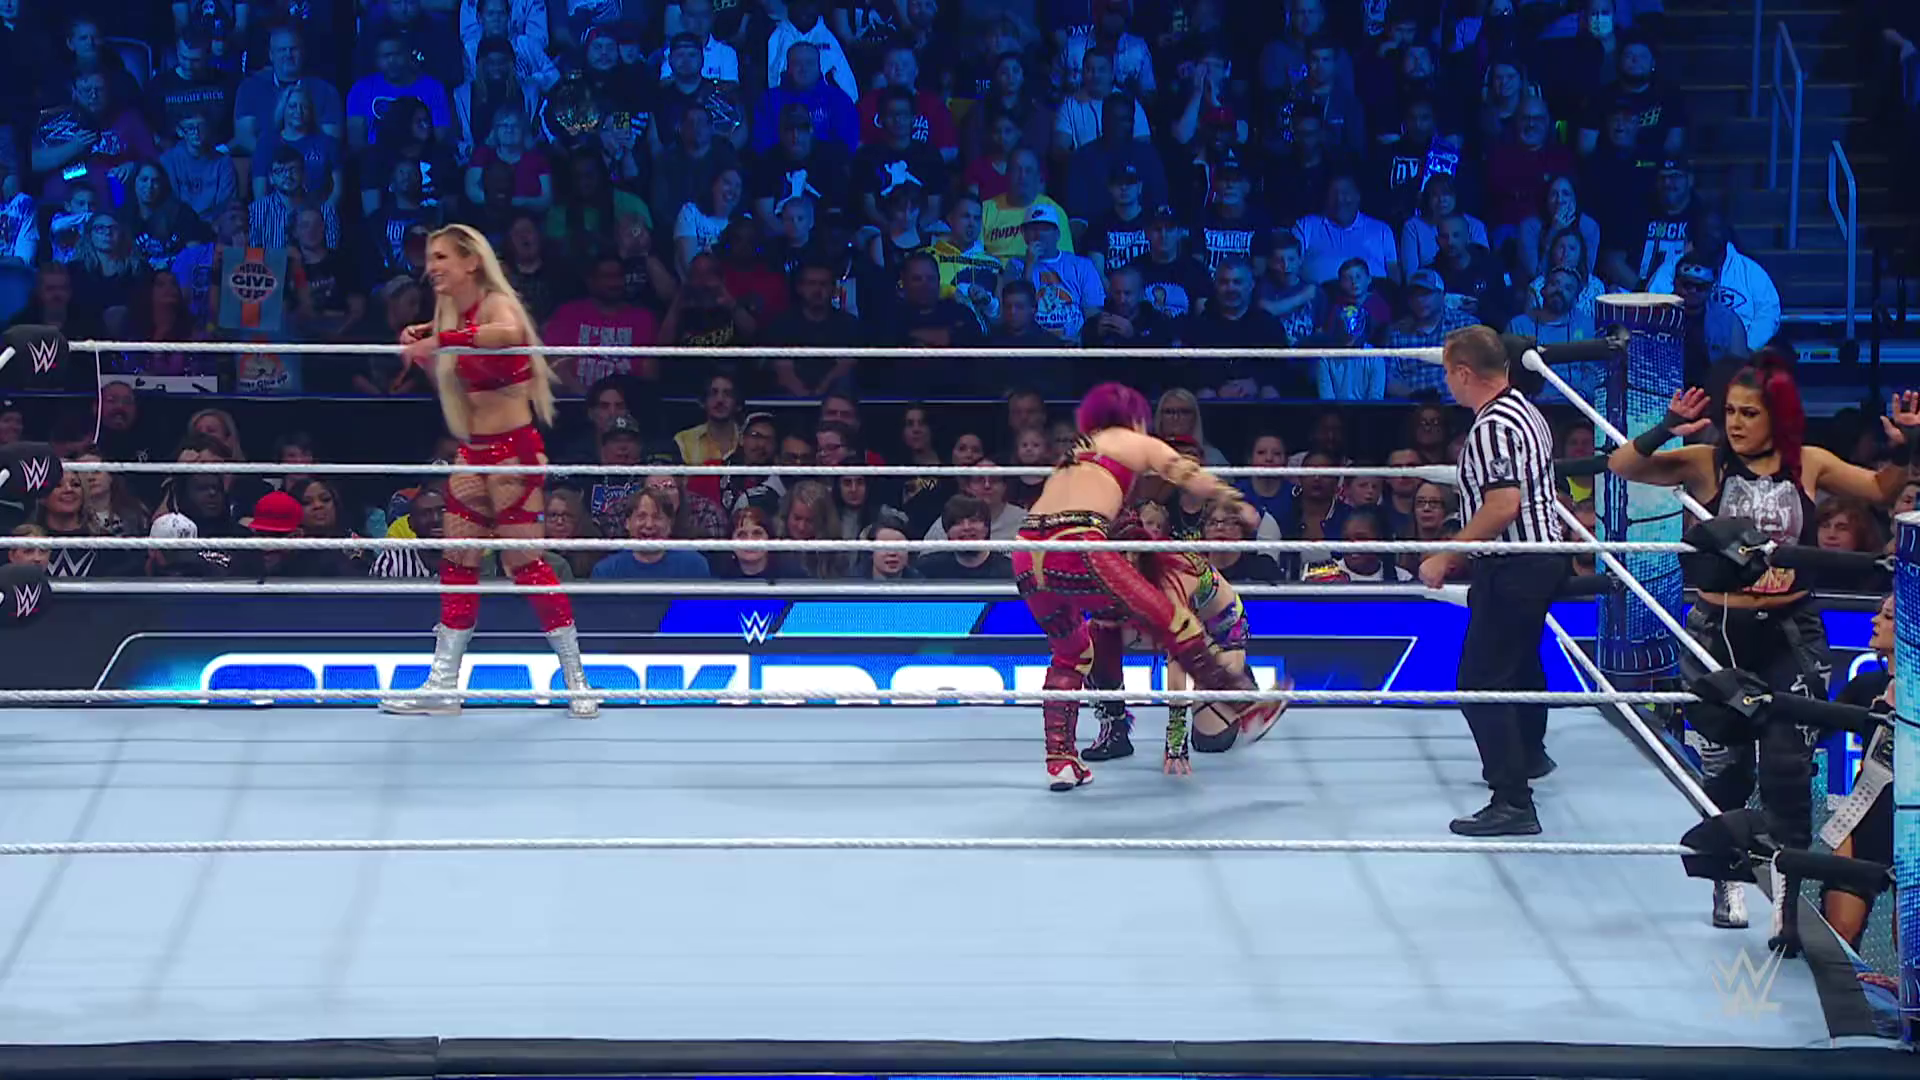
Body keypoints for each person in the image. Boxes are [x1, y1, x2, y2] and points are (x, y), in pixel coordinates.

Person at [1607, 365, 1917, 927]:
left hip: (1790, 628)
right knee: (1727, 767)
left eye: (1749, 413)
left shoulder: (1809, 463)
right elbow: (1623, 465)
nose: (1736, 422)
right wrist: (1667, 426)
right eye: (1730, 411)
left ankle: (1788, 900)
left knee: (1788, 766)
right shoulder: (1708, 462)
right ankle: (1727, 880)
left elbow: (1879, 489)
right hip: (1720, 629)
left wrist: (1907, 445)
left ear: (1778, 416)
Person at [1014, 382, 1278, 791]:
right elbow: (1183, 471)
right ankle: (1245, 706)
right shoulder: (1128, 440)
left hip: (1026, 554)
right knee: (1176, 622)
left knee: (1072, 651)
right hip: (1077, 545)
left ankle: (1061, 760)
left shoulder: (1075, 455)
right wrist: (1234, 501)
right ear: (1133, 418)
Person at [388, 224, 594, 719]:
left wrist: (439, 339)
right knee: (458, 563)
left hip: (513, 453)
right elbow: (455, 381)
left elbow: (508, 336)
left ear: (471, 261)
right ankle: (443, 685)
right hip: (473, 452)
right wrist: (424, 345)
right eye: (430, 258)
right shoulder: (449, 313)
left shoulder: (498, 304)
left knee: (524, 565)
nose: (431, 267)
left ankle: (577, 681)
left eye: (441, 257)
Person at [1419, 327, 1566, 838]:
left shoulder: (1493, 426)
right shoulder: (1526, 410)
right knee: (1520, 663)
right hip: (1536, 560)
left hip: (1516, 563)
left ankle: (1512, 801)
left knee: (1480, 682)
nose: (1447, 383)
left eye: (1448, 373)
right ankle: (1530, 754)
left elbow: (1503, 505)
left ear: (1464, 372)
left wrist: (1447, 554)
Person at [1085, 500, 1291, 773]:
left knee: (1209, 741)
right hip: (1183, 629)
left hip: (1218, 635)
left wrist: (1176, 740)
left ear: (1135, 555)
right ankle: (1115, 730)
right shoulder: (1109, 571)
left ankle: (1240, 688)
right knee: (1096, 634)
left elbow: (1178, 654)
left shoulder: (1170, 575)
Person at [1821, 592, 1897, 951]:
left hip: (1912, 827)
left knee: (1910, 949)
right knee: (1839, 935)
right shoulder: (1864, 686)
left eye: (1888, 616)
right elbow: (1815, 730)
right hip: (1864, 815)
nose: (1874, 621)